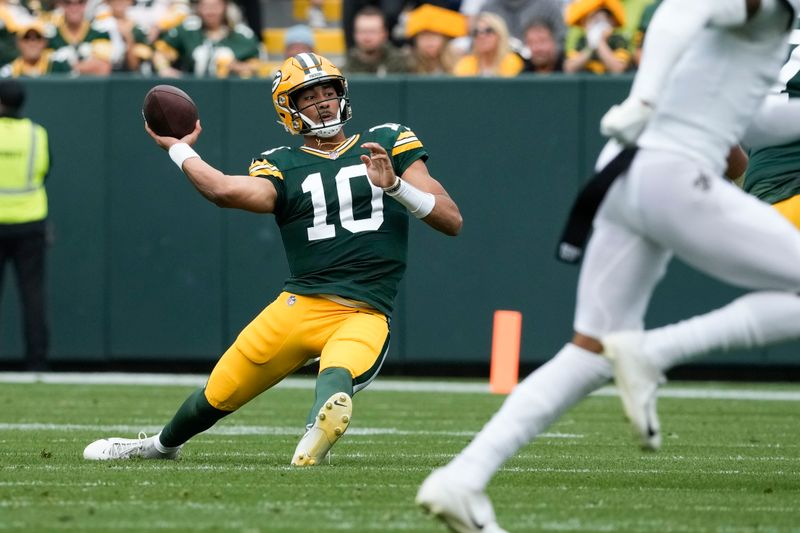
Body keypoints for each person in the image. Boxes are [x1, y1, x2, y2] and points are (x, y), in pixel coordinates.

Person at [417, 0, 800, 531]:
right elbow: (682, 11)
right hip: (671, 170)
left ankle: (463, 477)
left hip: (624, 171)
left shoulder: (758, 36)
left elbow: (750, 120)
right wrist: (643, 96)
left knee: (590, 351)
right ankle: (656, 351)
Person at [82, 52, 462, 465]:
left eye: (329, 90)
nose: (323, 101)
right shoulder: (280, 163)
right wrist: (178, 149)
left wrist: (397, 188)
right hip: (299, 305)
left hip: (363, 309)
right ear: (289, 107)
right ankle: (159, 446)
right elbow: (225, 191)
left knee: (337, 374)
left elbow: (451, 219)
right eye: (309, 95)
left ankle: (317, 430)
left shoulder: (387, 141)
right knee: (219, 392)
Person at [0, 79, 51, 372]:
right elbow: (45, 169)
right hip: (30, 221)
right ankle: (37, 362)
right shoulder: (36, 134)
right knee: (32, 295)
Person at [152, 0, 259, 78]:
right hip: (191, 92)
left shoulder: (243, 35)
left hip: (231, 95)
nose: (210, 12)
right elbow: (160, 53)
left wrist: (235, 66)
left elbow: (257, 67)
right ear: (198, 7)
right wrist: (164, 68)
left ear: (225, 6)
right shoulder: (187, 29)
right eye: (205, 6)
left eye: (215, 6)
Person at [563, 0, 631, 74]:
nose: (598, 24)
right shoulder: (582, 41)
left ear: (612, 22)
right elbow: (569, 68)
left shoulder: (618, 40)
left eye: (603, 19)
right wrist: (590, 47)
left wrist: (601, 43)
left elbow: (618, 68)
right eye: (594, 19)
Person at [48, 0, 113, 76]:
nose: (74, 8)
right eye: (68, 3)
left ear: (86, 4)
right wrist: (88, 66)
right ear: (61, 5)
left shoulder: (100, 33)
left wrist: (66, 66)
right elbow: (47, 67)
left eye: (80, 2)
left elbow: (103, 68)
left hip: (89, 86)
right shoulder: (51, 36)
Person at [452, 12, 524, 77]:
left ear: (500, 34)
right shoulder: (465, 64)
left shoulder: (512, 62)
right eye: (476, 32)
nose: (481, 36)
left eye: (488, 31)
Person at [343, 5, 409, 75]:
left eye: (372, 31)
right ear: (355, 34)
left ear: (384, 34)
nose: (367, 37)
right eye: (362, 31)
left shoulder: (399, 62)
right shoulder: (347, 64)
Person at [405, 3, 467, 75]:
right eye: (424, 36)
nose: (429, 42)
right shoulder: (408, 64)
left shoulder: (460, 63)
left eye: (434, 36)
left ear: (444, 39)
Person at [0, 20, 73, 77]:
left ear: (45, 42)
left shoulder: (58, 65)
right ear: (18, 43)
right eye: (26, 38)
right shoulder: (9, 73)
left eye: (38, 37)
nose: (32, 43)